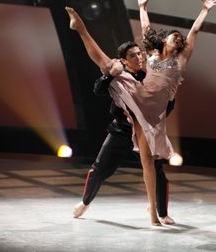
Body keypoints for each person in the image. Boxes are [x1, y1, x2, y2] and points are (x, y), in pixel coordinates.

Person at [65, 0, 216, 225]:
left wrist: (205, 10)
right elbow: (146, 29)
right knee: (107, 66)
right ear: (164, 41)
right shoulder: (152, 56)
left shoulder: (180, 61)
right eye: (174, 37)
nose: (178, 40)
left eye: (179, 39)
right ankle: (81, 29)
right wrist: (142, 7)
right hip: (138, 100)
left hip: (154, 117)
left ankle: (156, 213)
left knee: (152, 168)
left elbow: (194, 32)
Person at [73, 41, 176, 225]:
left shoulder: (149, 77)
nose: (138, 58)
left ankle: (162, 212)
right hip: (121, 130)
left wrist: (171, 98)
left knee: (158, 173)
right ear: (124, 60)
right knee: (99, 168)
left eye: (139, 54)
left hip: (146, 133)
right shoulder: (118, 74)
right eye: (133, 55)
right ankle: (85, 202)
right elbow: (98, 89)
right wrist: (110, 75)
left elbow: (163, 109)